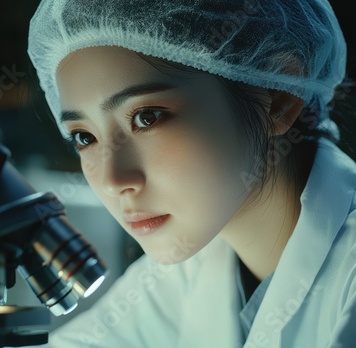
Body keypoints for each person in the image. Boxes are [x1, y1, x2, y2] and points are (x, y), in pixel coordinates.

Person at [27, 0, 356, 347]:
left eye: (147, 117)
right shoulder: (184, 274)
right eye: (85, 137)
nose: (112, 181)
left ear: (280, 99)